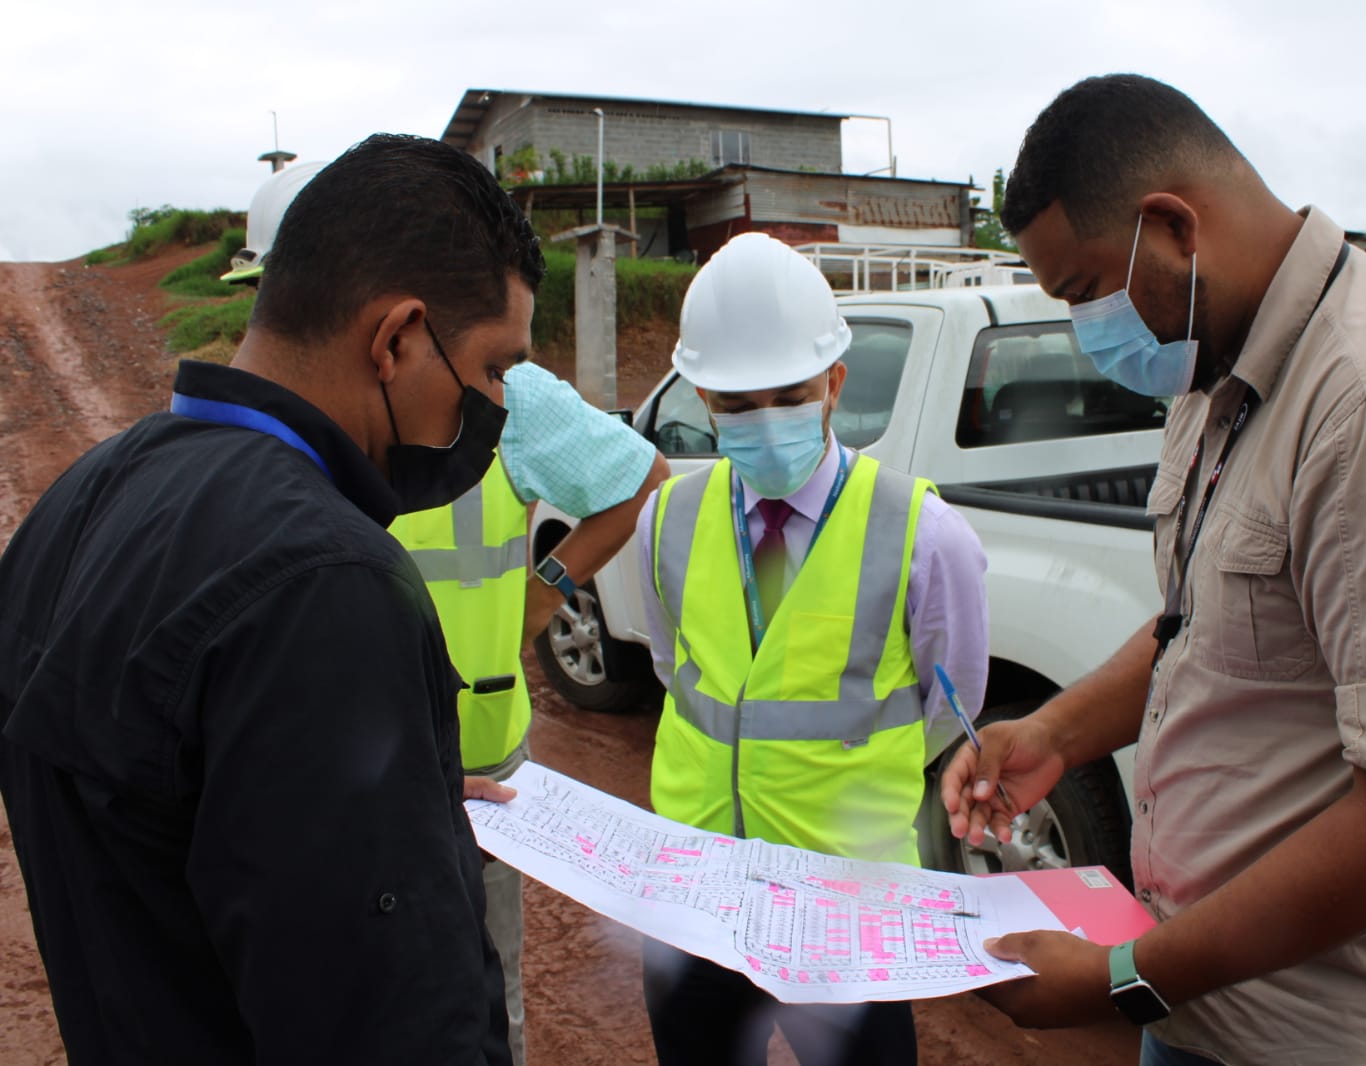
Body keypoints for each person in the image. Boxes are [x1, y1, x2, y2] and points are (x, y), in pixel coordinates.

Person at [942, 75, 1366, 1066]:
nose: (1083, 329)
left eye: (1084, 291)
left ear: (1173, 227)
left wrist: (1122, 979)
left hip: (1360, 1045)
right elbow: (1199, 625)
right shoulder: (1215, 373)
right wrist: (1054, 730)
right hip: (1211, 1011)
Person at [0, 133, 545, 1065]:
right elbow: (394, 1023)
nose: (493, 404)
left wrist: (380, 809)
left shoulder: (84, 497)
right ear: (398, 337)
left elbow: (172, 811)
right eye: (494, 369)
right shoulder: (327, 581)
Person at [225, 167, 669, 1066]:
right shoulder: (254, 418)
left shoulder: (507, 399)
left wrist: (546, 586)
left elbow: (636, 478)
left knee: (470, 992)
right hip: (319, 777)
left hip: (471, 760)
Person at [635, 232, 990, 1066]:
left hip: (846, 907)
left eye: (785, 395)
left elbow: (951, 704)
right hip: (695, 894)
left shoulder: (922, 533)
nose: (760, 422)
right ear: (698, 395)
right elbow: (675, 674)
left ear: (834, 383)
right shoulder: (666, 520)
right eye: (732, 404)